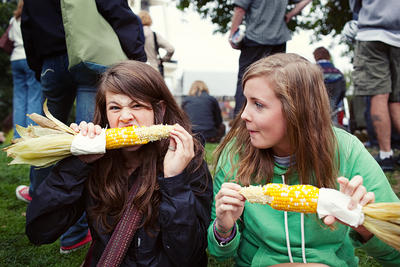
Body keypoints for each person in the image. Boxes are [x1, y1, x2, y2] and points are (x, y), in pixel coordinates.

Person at [207, 53, 400, 266]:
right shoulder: (235, 154)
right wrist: (224, 228)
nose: (243, 114)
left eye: (258, 104)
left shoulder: (347, 151)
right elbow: (219, 252)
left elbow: (395, 251)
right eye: (246, 101)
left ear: (296, 110)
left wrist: (363, 224)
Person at [25, 60, 213, 266]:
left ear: (159, 110)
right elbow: (40, 232)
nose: (125, 117)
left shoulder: (188, 161)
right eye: (115, 107)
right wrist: (77, 163)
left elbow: (189, 255)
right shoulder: (93, 163)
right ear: (104, 113)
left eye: (137, 105)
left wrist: (175, 181)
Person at [19, 0, 146, 253]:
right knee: (92, 143)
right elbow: (117, 11)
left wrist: (40, 66)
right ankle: (74, 234)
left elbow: (28, 26)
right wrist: (138, 58)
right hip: (92, 57)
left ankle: (38, 199)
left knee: (46, 142)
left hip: (51, 63)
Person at [229, 0, 311, 116]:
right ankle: (276, 118)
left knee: (246, 78)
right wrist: (290, 15)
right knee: (277, 81)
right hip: (279, 39)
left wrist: (233, 34)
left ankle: (240, 123)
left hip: (255, 38)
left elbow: (240, 9)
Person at [350, 0, 400, 171]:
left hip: (372, 32)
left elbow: (355, 5)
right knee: (396, 100)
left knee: (379, 96)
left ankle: (386, 155)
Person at [8, 0, 42, 139]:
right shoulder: (34, 14)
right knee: (34, 97)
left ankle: (17, 136)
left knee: (19, 98)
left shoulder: (13, 20)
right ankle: (30, 136)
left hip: (15, 59)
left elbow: (10, 38)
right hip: (29, 57)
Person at [312, 47, 346, 126]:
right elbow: (343, 91)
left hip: (317, 112)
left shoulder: (312, 71)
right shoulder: (338, 73)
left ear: (315, 57)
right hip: (334, 108)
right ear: (328, 57)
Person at [138, 10, 174, 76]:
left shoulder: (135, 34)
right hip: (153, 69)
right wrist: (163, 60)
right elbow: (171, 49)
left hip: (139, 70)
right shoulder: (154, 35)